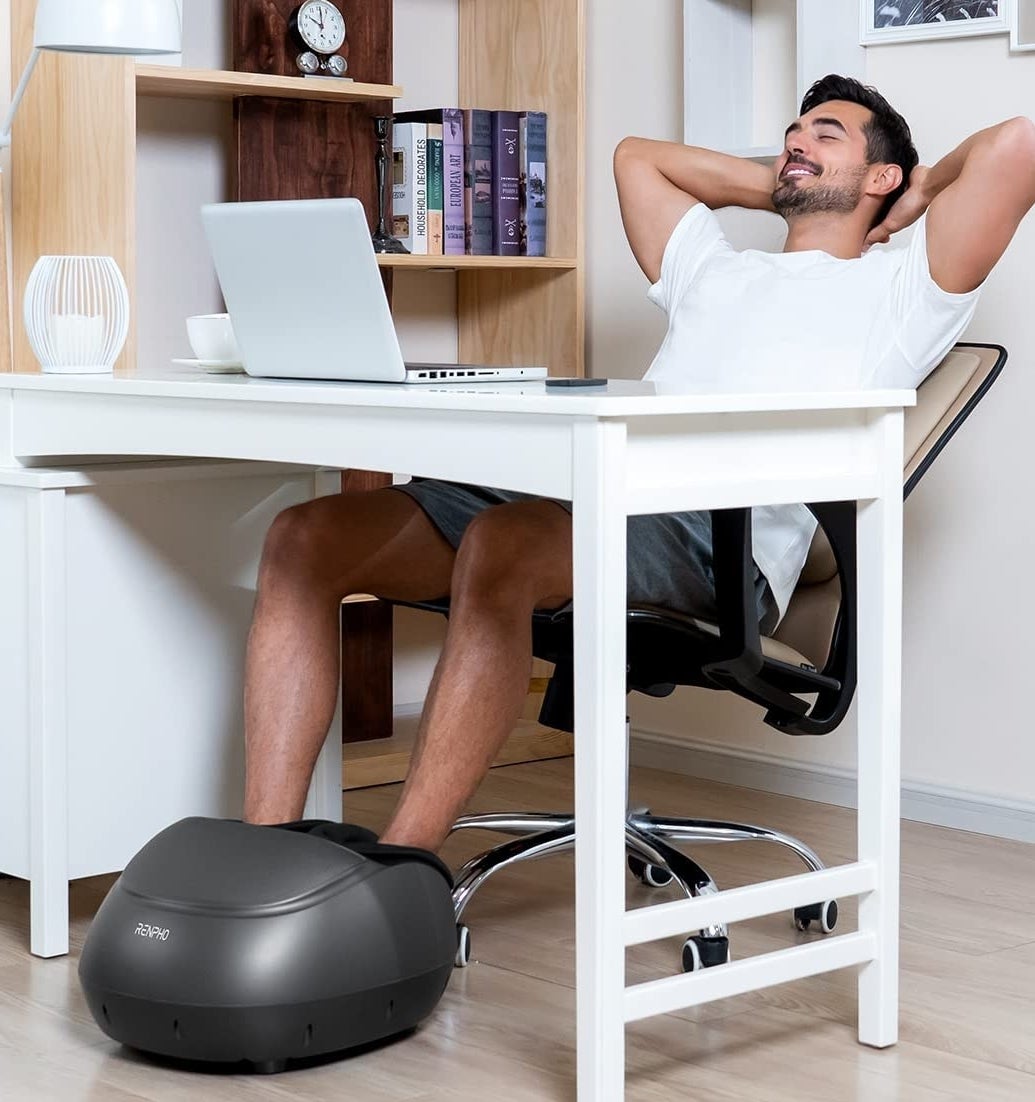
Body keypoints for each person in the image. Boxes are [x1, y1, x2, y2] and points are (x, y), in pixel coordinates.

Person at [242, 75, 1035, 853]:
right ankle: (262, 848)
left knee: (506, 541)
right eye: (793, 133)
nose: (797, 141)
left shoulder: (904, 289)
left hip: (716, 544)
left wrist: (920, 189)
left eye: (825, 134)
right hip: (596, 496)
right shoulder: (715, 267)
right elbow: (635, 158)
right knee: (305, 536)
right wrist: (788, 183)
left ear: (881, 175)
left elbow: (1018, 143)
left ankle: (401, 866)